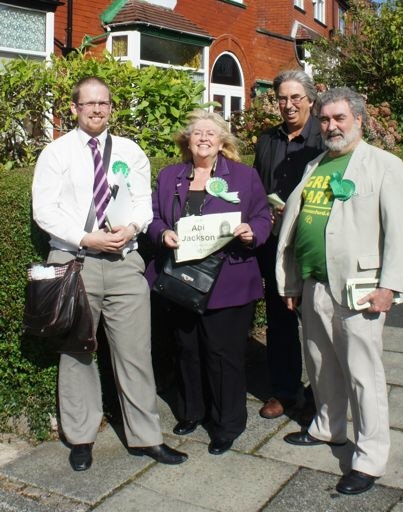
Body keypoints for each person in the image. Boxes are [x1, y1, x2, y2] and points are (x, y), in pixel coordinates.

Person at [32, 76, 187, 471]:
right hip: (74, 262)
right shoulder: (56, 153)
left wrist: (132, 229)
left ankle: (146, 437)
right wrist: (86, 238)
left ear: (111, 108)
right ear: (74, 108)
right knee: (77, 352)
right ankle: (81, 438)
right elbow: (44, 211)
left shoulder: (131, 151)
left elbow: (141, 203)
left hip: (124, 262)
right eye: (89, 104)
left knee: (135, 353)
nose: (98, 110)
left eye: (104, 103)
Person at [276, 87, 403, 494]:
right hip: (315, 281)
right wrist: (292, 281)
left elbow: (400, 232)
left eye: (339, 118)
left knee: (362, 375)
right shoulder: (316, 164)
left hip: (360, 290)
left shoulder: (384, 165)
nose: (332, 126)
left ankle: (370, 458)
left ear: (358, 119)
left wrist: (389, 286)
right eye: (325, 120)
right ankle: (329, 428)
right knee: (320, 365)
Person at [145, 109, 271, 455]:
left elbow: (262, 216)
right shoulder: (171, 176)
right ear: (188, 140)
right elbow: (153, 218)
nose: (203, 138)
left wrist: (252, 232)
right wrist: (163, 232)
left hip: (228, 281)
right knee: (186, 349)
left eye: (211, 134)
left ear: (222, 142)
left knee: (222, 354)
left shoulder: (244, 177)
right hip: (180, 280)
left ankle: (227, 423)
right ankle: (191, 412)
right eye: (197, 133)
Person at [254, 70, 324, 419]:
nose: (288, 104)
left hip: (313, 244)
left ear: (310, 99)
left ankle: (324, 391)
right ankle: (285, 390)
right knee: (281, 319)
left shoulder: (323, 139)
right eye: (282, 98)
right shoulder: (267, 140)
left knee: (318, 319)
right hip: (275, 245)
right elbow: (257, 187)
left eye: (296, 97)